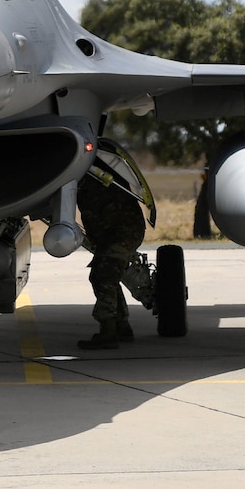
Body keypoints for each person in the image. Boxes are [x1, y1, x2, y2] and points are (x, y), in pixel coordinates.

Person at [76, 138, 155, 351]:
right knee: (109, 275)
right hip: (120, 232)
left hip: (121, 233)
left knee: (102, 276)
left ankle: (109, 332)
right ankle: (121, 326)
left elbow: (96, 215)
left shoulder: (93, 180)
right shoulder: (98, 175)